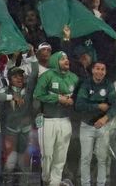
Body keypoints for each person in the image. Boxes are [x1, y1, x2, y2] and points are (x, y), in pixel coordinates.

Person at [34, 50, 79, 186]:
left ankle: (55, 183)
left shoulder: (74, 78)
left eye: (67, 58)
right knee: (47, 155)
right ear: (55, 61)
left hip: (65, 121)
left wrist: (73, 101)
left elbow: (79, 97)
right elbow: (37, 95)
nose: (66, 61)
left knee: (60, 157)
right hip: (47, 120)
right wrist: (57, 98)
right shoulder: (47, 76)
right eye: (62, 59)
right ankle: (46, 178)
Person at [76, 61, 116, 186]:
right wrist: (98, 106)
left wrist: (105, 118)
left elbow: (115, 105)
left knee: (102, 159)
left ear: (105, 72)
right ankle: (85, 184)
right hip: (87, 126)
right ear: (93, 70)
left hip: (103, 126)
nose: (100, 71)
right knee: (85, 158)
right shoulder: (86, 84)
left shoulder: (108, 85)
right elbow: (79, 105)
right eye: (98, 69)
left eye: (103, 69)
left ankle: (101, 183)